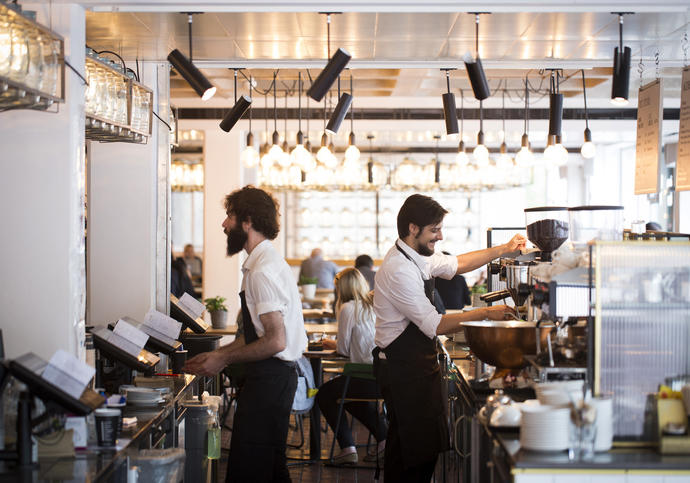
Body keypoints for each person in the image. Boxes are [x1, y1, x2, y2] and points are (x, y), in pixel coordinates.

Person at [373, 194, 525, 482]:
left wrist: (504, 250)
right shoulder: (398, 269)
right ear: (413, 228)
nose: (440, 236)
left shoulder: (417, 256)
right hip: (401, 368)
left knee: (419, 451)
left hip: (415, 365)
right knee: (409, 455)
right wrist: (487, 314)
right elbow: (434, 324)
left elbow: (457, 264)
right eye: (435, 230)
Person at [183, 186, 307, 483]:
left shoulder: (262, 272)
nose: (224, 224)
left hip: (270, 380)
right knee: (271, 468)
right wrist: (218, 355)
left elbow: (275, 341)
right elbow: (258, 335)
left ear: (247, 221)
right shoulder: (264, 264)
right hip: (272, 379)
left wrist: (222, 359)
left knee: (249, 470)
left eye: (229, 216)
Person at [317, 268, 387, 464]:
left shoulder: (347, 307)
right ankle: (384, 441)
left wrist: (329, 343)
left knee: (324, 395)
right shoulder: (373, 305)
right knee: (352, 399)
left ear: (341, 288)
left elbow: (344, 350)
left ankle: (348, 447)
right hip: (381, 376)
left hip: (363, 374)